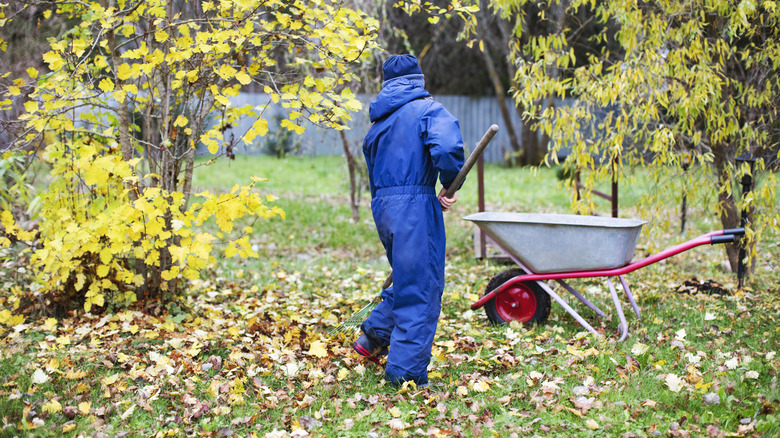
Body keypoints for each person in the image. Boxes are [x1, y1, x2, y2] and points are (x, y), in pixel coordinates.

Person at [353, 54, 465, 387]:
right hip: (414, 206)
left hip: (384, 208)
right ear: (419, 79)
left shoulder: (379, 124)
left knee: (407, 278)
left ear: (385, 84)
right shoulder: (427, 110)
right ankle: (406, 374)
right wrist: (447, 180)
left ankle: (371, 338)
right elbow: (446, 146)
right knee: (422, 288)